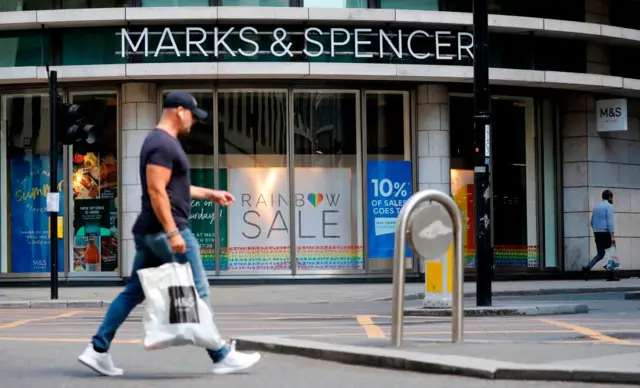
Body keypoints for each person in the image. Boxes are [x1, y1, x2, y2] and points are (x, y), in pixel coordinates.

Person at [78, 91, 261, 376]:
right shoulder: (162, 144)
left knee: (132, 293)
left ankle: (97, 350)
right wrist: (173, 232)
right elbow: (156, 190)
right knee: (199, 289)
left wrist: (209, 194)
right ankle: (221, 355)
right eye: (192, 115)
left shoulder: (162, 143)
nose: (194, 122)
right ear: (179, 111)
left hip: (151, 232)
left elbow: (173, 188)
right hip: (167, 231)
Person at [582, 189, 615, 281]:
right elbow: (610, 222)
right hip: (605, 233)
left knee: (600, 254)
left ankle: (587, 268)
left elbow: (592, 222)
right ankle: (610, 275)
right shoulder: (609, 206)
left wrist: (596, 231)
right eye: (611, 197)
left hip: (597, 233)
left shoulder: (597, 207)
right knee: (610, 254)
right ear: (609, 197)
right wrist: (612, 235)